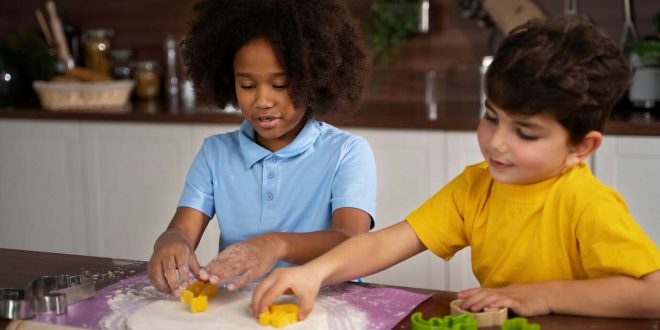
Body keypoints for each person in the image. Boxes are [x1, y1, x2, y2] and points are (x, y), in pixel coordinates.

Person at [251, 18, 660, 320]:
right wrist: (314, 273)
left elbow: (652, 295)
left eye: (527, 133)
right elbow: (384, 243)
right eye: (491, 117)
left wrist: (542, 295)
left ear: (581, 147)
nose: (497, 142)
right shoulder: (475, 187)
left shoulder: (587, 204)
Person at [147, 0, 376, 297]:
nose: (262, 101)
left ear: (314, 79)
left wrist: (276, 244)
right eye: (247, 85)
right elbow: (181, 230)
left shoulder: (347, 152)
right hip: (242, 306)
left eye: (280, 85)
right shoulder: (215, 153)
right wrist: (170, 242)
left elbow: (351, 239)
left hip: (327, 301)